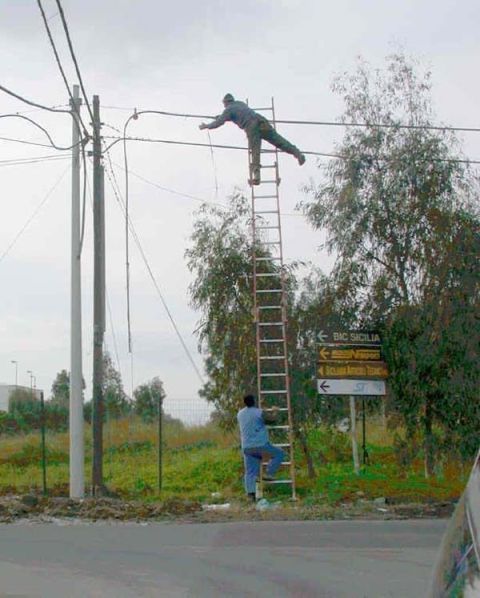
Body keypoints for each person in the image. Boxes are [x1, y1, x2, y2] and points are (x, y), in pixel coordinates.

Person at [199, 93, 306, 186]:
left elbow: (220, 121)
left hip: (251, 126)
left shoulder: (228, 110)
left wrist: (207, 126)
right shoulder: (241, 104)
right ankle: (298, 154)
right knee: (279, 141)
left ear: (226, 103)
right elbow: (232, 115)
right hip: (261, 121)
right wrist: (220, 116)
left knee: (255, 151)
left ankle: (257, 175)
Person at [236, 394, 285, 502]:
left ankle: (250, 495)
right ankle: (269, 473)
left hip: (247, 447)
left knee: (250, 472)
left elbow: (252, 420)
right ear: (254, 401)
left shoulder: (240, 414)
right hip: (261, 445)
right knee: (279, 453)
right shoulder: (259, 412)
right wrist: (275, 411)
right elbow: (272, 420)